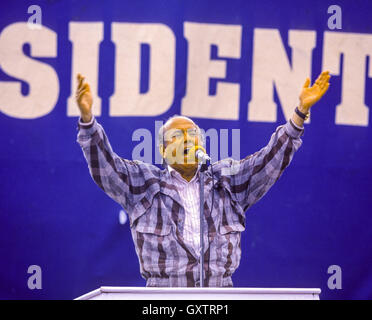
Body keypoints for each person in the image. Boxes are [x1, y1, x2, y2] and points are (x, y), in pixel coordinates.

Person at [76, 71, 330, 287]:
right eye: (178, 136)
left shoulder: (226, 182)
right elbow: (106, 168)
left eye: (193, 135)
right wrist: (88, 122)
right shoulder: (144, 185)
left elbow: (268, 162)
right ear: (163, 151)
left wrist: (299, 114)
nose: (188, 140)